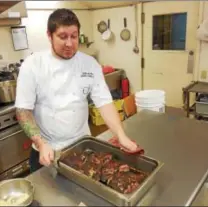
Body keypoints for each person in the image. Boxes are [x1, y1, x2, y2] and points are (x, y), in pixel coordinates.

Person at [15, 8, 137, 173]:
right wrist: (40, 143)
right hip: (46, 152)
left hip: (82, 147)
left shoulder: (89, 64)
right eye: (63, 36)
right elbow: (23, 111)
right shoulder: (32, 65)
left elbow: (105, 103)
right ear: (49, 35)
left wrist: (120, 135)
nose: (69, 43)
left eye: (74, 36)